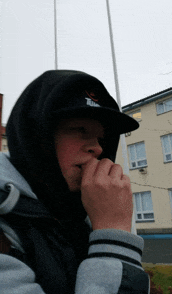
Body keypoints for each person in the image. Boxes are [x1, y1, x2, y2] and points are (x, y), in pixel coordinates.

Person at [0, 70, 150, 293]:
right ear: (38, 139)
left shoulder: (78, 220)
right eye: (80, 130)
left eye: (101, 138)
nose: (98, 148)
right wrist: (113, 234)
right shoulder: (7, 224)